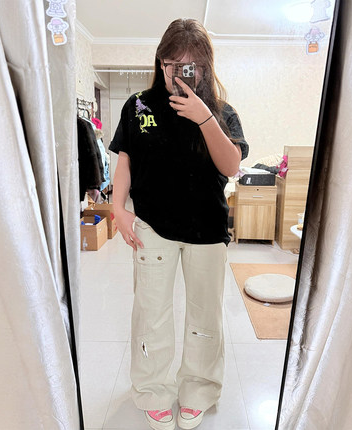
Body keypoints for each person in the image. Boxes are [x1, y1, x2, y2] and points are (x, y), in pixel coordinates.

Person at [109, 18, 249, 430]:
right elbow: (125, 159)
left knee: (205, 317)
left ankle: (199, 390)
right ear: (161, 62)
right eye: (174, 64)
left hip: (207, 229)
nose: (183, 74)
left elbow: (232, 166)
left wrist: (205, 118)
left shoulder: (222, 112)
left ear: (205, 67)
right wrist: (117, 208)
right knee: (150, 314)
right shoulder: (138, 105)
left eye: (193, 66)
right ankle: (152, 389)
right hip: (153, 226)